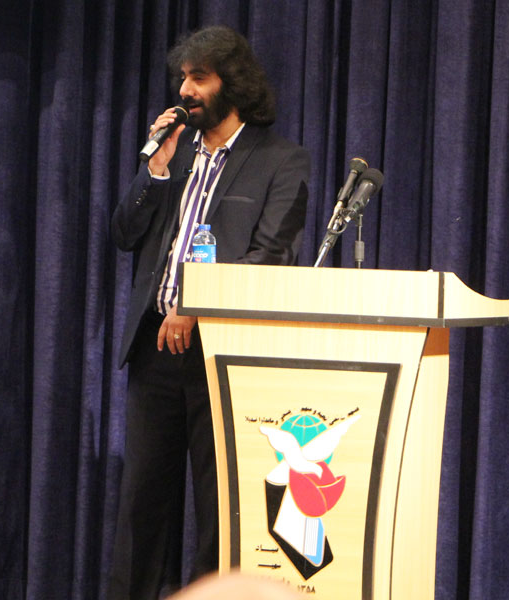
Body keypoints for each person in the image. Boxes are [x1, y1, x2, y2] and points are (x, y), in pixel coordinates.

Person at [110, 25, 310, 599]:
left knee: (219, 505)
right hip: (155, 349)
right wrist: (155, 168)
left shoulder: (280, 160)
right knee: (141, 504)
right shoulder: (177, 157)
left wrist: (197, 307)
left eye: (199, 78)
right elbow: (124, 234)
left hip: (222, 355)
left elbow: (271, 256)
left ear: (233, 84)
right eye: (183, 78)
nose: (185, 90)